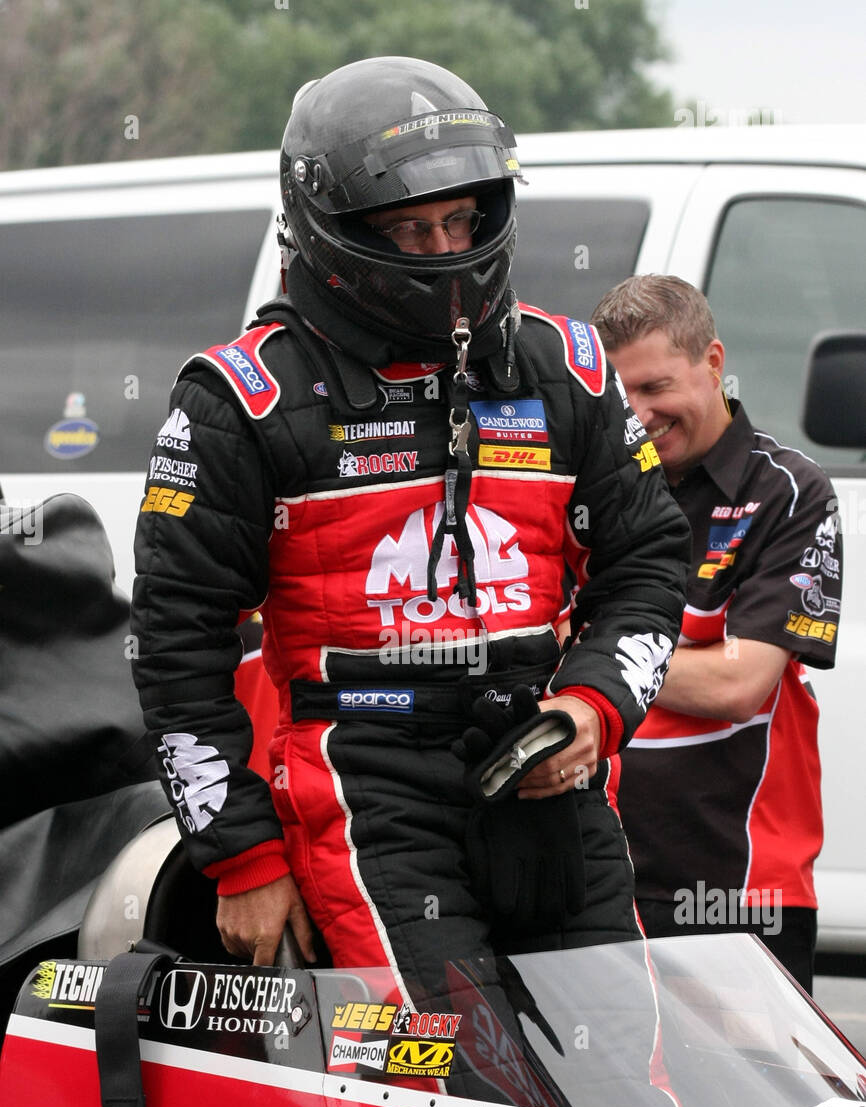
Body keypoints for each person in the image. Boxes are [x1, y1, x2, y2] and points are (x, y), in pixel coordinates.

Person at [130, 58, 690, 1014]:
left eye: (461, 219)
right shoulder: (241, 397)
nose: (445, 246)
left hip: (541, 763)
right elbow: (174, 641)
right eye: (409, 227)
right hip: (366, 782)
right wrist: (242, 857)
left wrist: (594, 707)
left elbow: (648, 563)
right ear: (336, 230)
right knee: (452, 1088)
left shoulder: (569, 366)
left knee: (625, 1085)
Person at [592, 274, 842, 992]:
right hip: (598, 883)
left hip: (737, 889)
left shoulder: (790, 491)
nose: (638, 414)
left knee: (752, 1100)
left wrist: (599, 654)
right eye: (621, 396)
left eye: (656, 387)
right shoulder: (594, 489)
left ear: (713, 363)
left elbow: (739, 684)